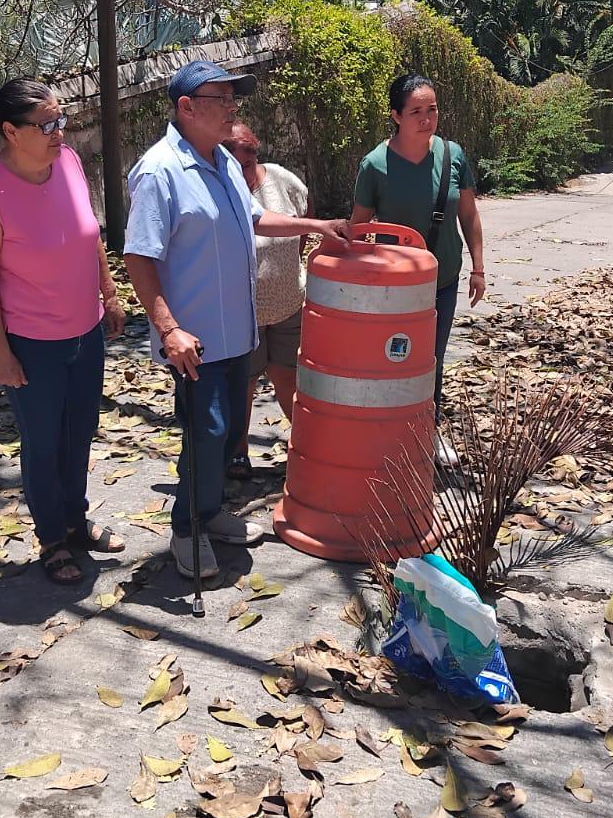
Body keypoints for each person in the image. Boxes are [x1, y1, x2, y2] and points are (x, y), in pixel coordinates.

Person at [124, 60, 351, 579]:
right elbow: (139, 256)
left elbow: (254, 219)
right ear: (186, 108)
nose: (233, 109)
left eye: (233, 99)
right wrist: (168, 328)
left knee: (227, 439)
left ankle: (210, 512)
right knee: (207, 433)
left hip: (238, 332)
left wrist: (315, 224)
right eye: (221, 99)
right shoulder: (160, 172)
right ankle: (188, 529)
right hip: (195, 339)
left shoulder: (222, 162)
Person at [0, 79, 128, 586]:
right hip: (32, 343)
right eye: (48, 124)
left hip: (87, 330)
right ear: (10, 131)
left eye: (63, 118)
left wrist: (110, 293)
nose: (61, 131)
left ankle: (76, 521)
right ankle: (52, 538)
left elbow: (90, 235)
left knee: (80, 434)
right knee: (43, 443)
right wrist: (0, 355)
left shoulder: (70, 163)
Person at [351, 74, 486, 467]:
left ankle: (429, 430)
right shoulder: (375, 165)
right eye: (415, 112)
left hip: (442, 281)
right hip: (393, 287)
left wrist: (478, 268)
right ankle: (382, 430)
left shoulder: (452, 155)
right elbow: (360, 227)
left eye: (432, 110)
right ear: (395, 115)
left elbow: (469, 215)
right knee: (391, 358)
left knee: (432, 360)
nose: (426, 119)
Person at [223, 122, 310, 481]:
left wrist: (287, 269)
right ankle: (237, 452)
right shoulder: (218, 188)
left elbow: (302, 224)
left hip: (289, 301)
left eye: (249, 154)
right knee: (243, 382)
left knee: (287, 375)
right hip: (244, 310)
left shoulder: (280, 179)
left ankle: (308, 447)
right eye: (233, 154)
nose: (243, 163)